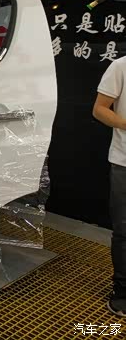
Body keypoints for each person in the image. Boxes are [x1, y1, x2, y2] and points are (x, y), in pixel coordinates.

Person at [94, 56, 126, 317]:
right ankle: (123, 290)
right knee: (124, 231)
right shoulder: (121, 66)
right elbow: (100, 109)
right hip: (124, 162)